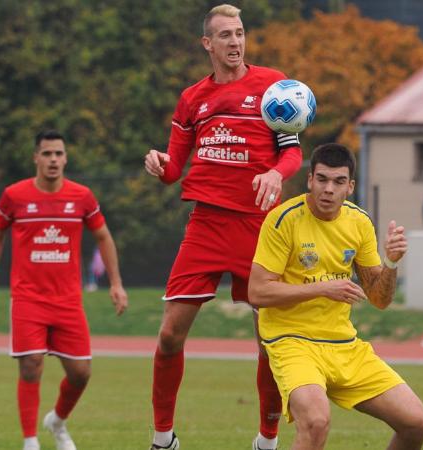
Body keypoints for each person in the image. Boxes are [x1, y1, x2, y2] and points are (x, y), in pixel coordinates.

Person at [142, 4, 303, 450]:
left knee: (268, 342)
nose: (236, 42)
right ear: (207, 44)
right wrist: (159, 164)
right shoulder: (193, 97)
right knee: (170, 334)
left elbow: (291, 153)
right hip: (207, 224)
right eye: (226, 36)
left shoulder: (273, 85)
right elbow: (175, 169)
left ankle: (266, 441)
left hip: (259, 227)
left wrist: (276, 173)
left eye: (240, 33)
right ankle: (163, 439)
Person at [248, 143, 423, 450]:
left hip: (343, 345)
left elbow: (380, 299)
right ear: (309, 180)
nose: (328, 189)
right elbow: (257, 291)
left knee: (416, 423)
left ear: (350, 186)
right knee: (316, 422)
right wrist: (322, 288)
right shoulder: (284, 220)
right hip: (292, 341)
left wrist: (392, 262)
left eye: (338, 181)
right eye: (322, 179)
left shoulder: (359, 222)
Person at [0, 130, 128, 450]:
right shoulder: (14, 196)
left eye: (58, 154)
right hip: (28, 297)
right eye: (47, 154)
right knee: (31, 364)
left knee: (81, 373)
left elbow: (103, 236)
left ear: (66, 158)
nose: (53, 160)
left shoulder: (82, 197)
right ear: (36, 158)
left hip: (68, 300)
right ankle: (30, 441)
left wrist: (115, 283)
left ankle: (57, 420)